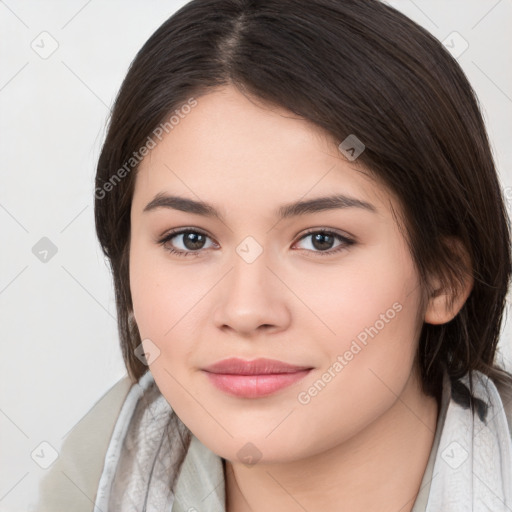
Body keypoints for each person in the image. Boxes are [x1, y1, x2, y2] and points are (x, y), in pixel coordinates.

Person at [36, 0, 512, 511]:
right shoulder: (96, 478)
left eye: (321, 240)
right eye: (190, 239)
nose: (246, 310)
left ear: (443, 277)